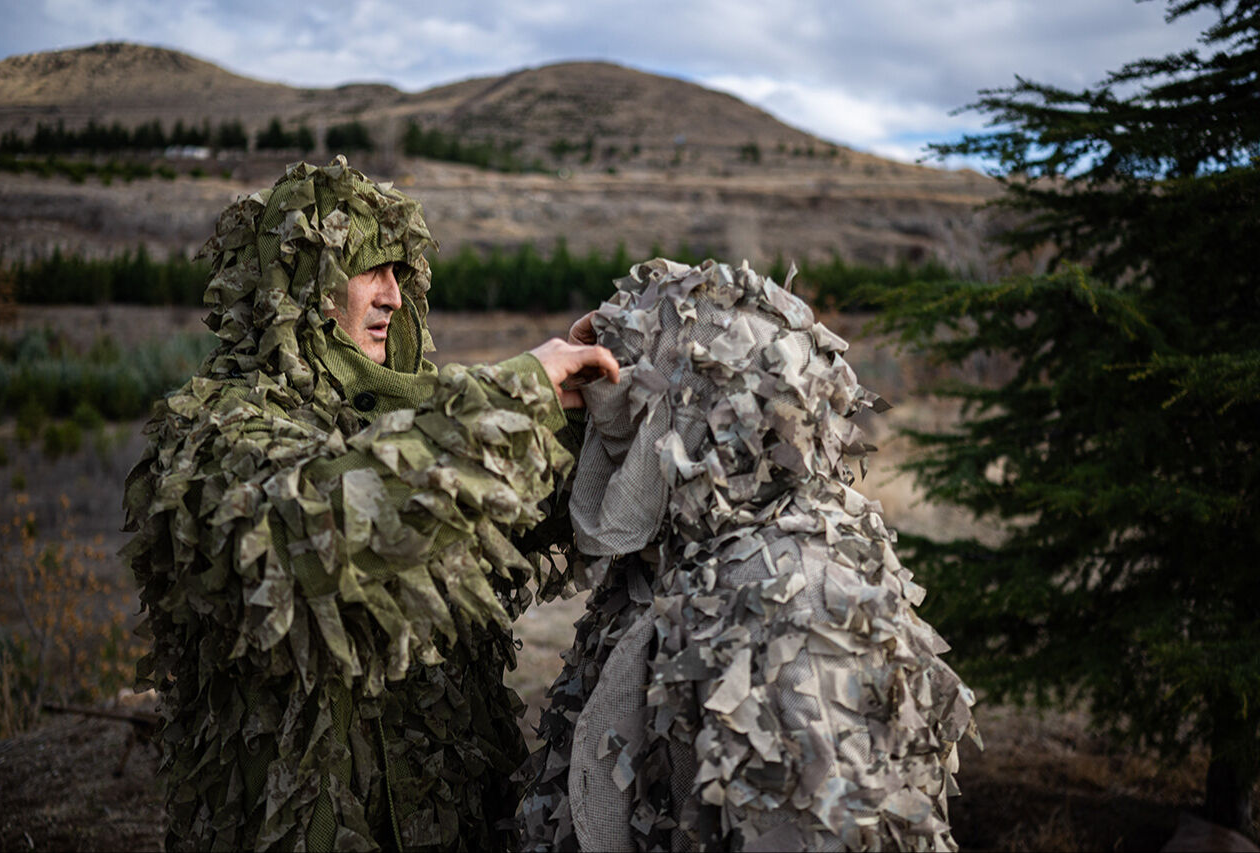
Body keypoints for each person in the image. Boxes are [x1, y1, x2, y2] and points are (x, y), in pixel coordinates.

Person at [122, 156, 617, 851]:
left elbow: (507, 527)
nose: (391, 296)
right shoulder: (212, 432)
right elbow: (316, 531)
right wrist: (513, 398)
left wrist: (583, 420)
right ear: (295, 284)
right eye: (367, 270)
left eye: (400, 274)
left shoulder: (411, 417)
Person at [519, 259, 978, 852]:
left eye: (625, 384)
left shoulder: (796, 590)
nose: (601, 408)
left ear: (697, 408)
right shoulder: (671, 556)